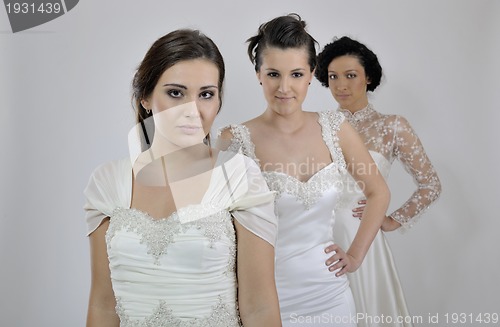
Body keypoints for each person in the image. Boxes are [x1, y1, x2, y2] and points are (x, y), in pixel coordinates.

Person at [83, 29, 282, 326]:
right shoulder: (108, 183)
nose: (193, 110)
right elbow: (103, 304)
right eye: (176, 93)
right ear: (145, 98)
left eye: (206, 94)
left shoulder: (239, 176)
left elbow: (259, 306)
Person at [217, 14, 390, 326]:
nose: (285, 88)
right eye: (273, 74)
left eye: (296, 74)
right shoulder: (233, 141)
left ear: (311, 73)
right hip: (266, 303)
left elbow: (379, 192)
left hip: (332, 298)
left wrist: (354, 256)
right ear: (258, 74)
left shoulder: (336, 128)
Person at [315, 36, 442, 326]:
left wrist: (391, 219)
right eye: (333, 76)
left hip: (363, 237)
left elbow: (431, 184)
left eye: (351, 75)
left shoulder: (391, 126)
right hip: (319, 236)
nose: (341, 85)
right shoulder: (318, 125)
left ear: (368, 77)